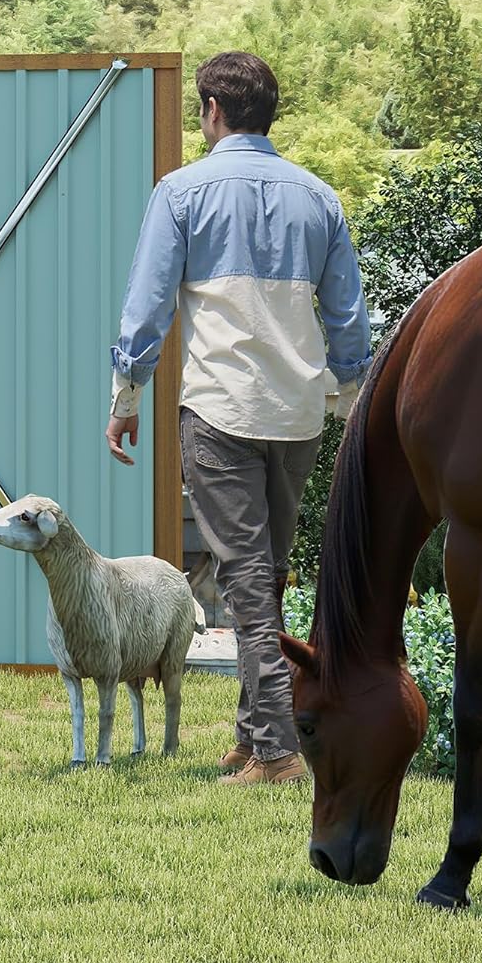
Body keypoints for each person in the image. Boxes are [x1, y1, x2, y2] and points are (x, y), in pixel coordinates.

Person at [105, 51, 372, 785]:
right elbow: (348, 316)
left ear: (213, 110)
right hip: (298, 413)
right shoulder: (319, 197)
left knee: (249, 581)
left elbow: (147, 307)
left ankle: (280, 751)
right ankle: (255, 737)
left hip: (222, 408)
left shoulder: (181, 192)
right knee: (266, 576)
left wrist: (126, 398)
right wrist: (351, 398)